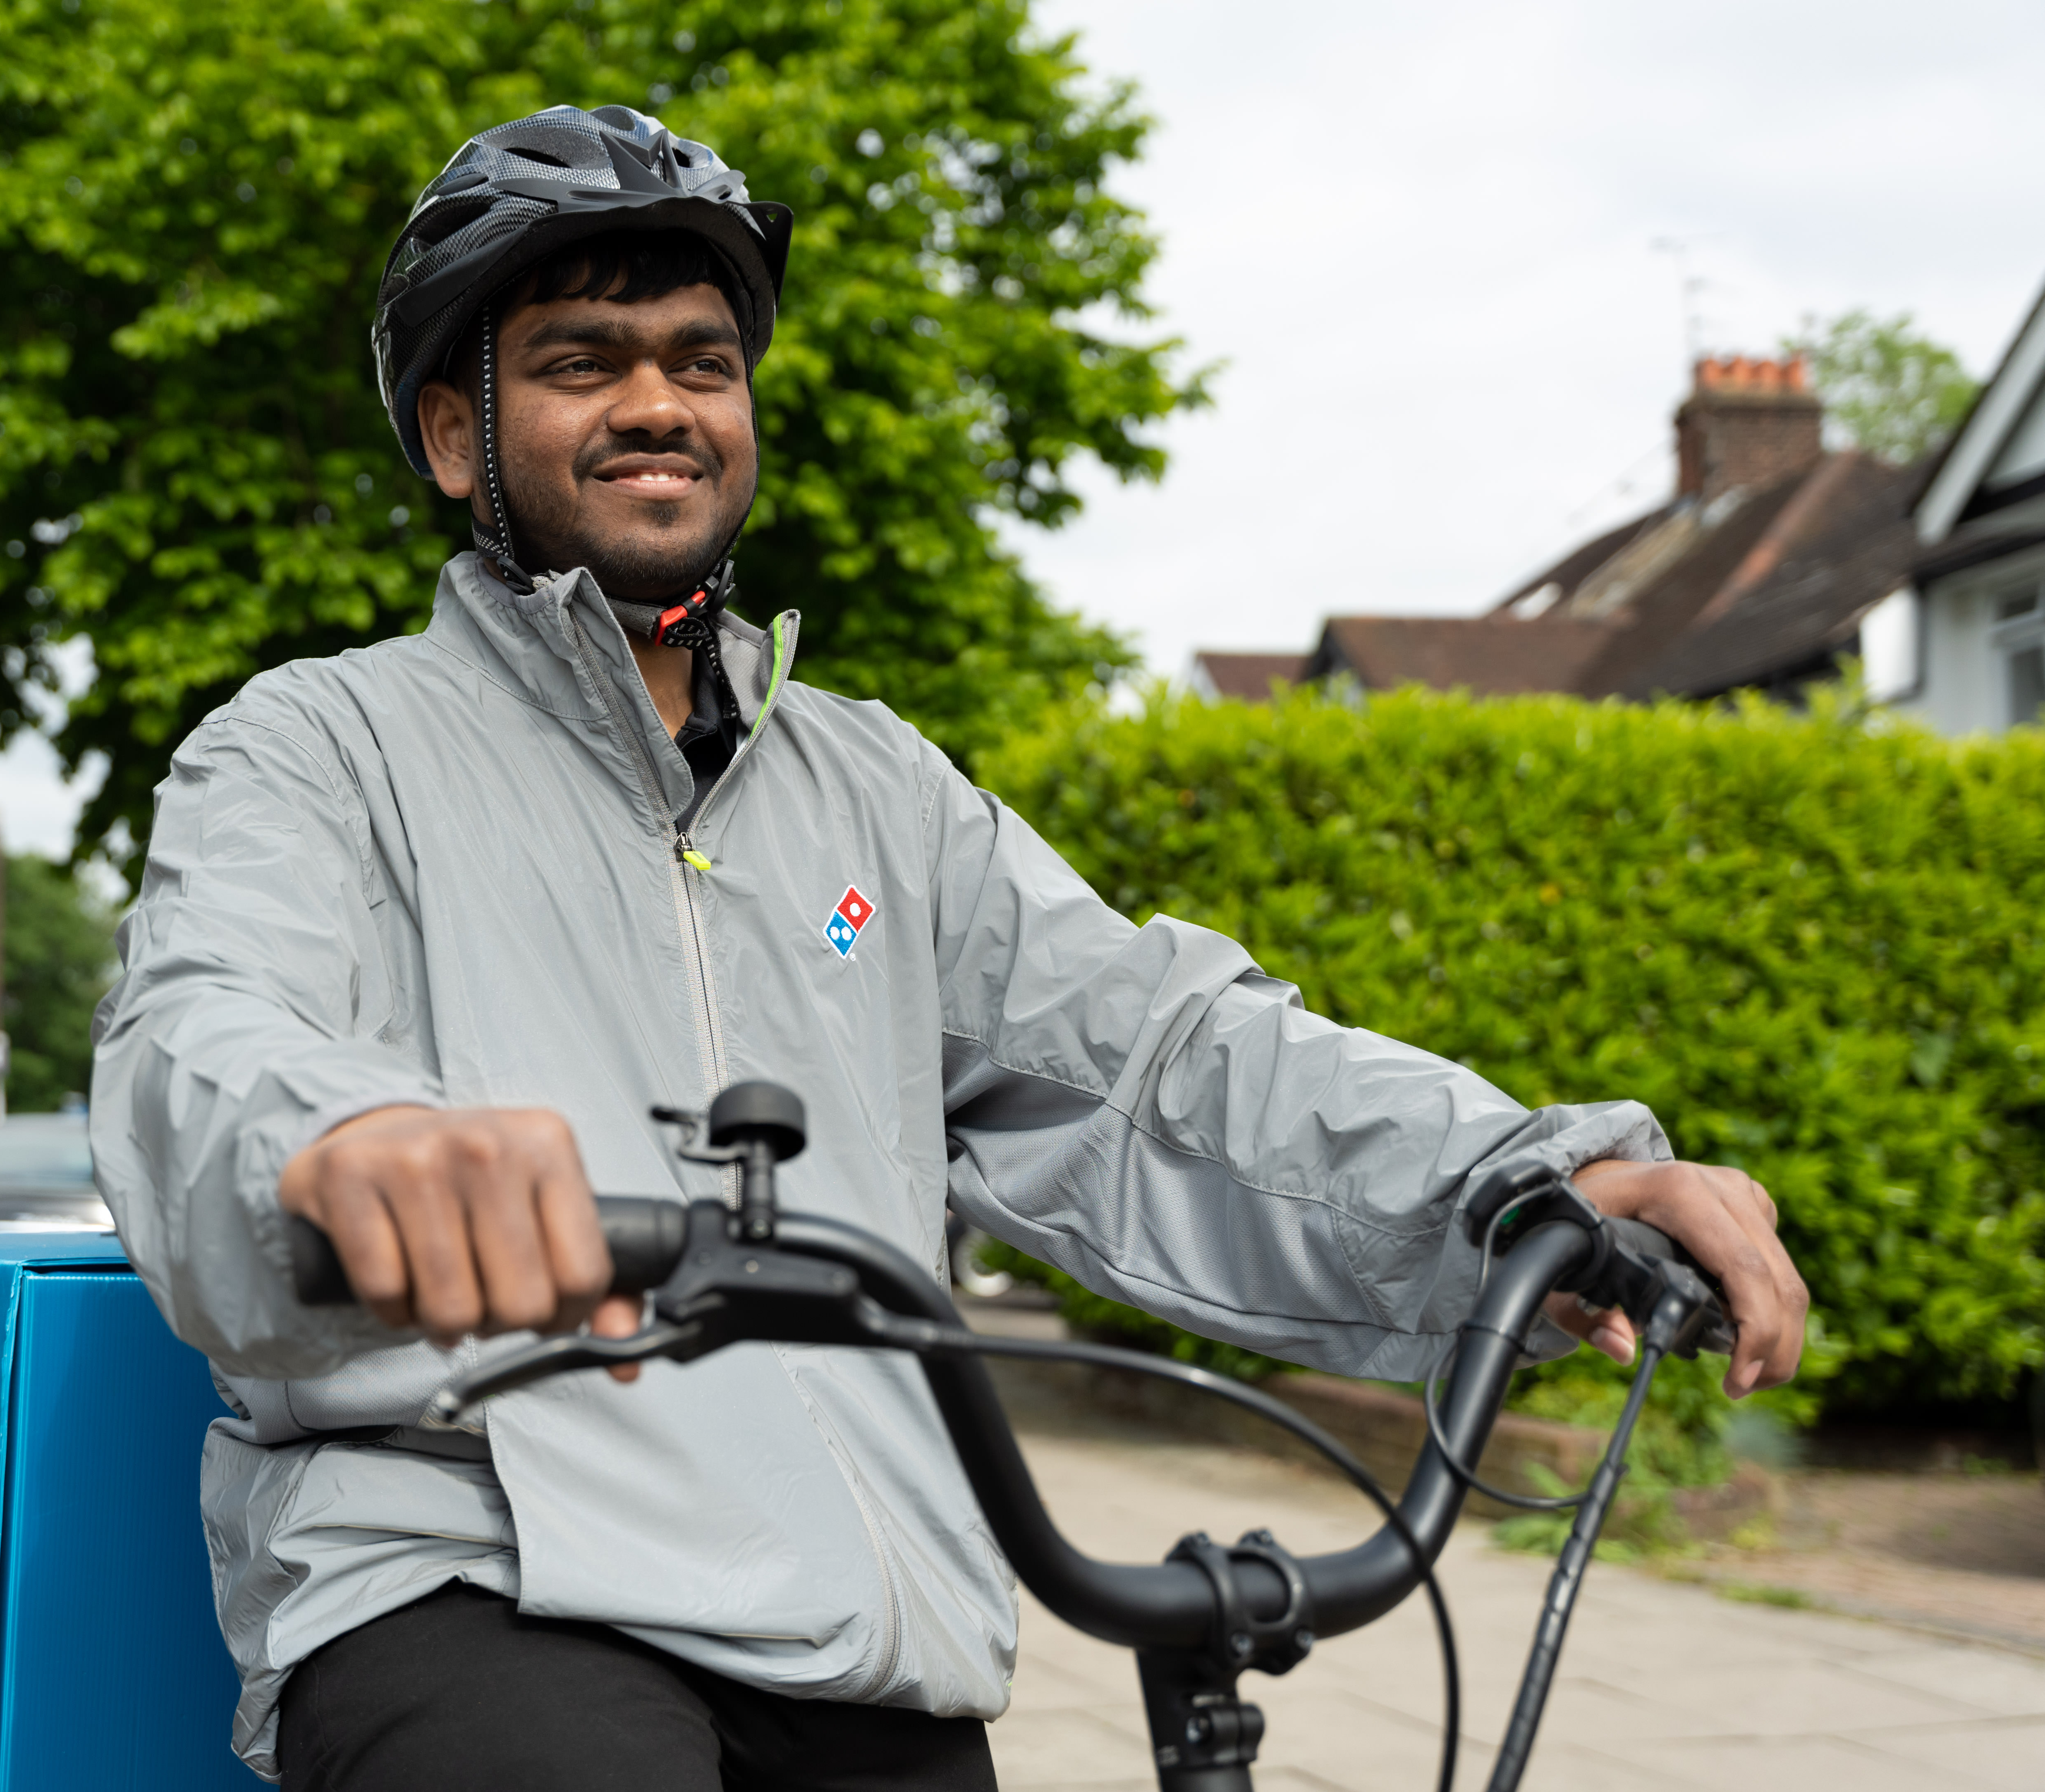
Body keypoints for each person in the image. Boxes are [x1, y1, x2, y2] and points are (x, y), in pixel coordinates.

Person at [91, 104, 1808, 1792]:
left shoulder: (877, 790)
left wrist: (1525, 1182)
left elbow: (1155, 1058)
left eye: (701, 361)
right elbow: (202, 1028)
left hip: (853, 1614)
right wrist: (344, 1147)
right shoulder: (319, 749)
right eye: (579, 360)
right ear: (454, 438)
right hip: (479, 1569)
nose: (657, 403)